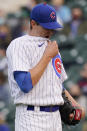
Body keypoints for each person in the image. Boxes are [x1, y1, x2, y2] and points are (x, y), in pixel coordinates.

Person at [6, 3, 85, 131]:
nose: (50, 31)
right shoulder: (18, 45)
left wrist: (74, 104)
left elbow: (57, 83)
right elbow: (25, 84)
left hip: (54, 118)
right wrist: (47, 56)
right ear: (33, 23)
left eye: (52, 27)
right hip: (31, 117)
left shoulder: (51, 46)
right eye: (46, 27)